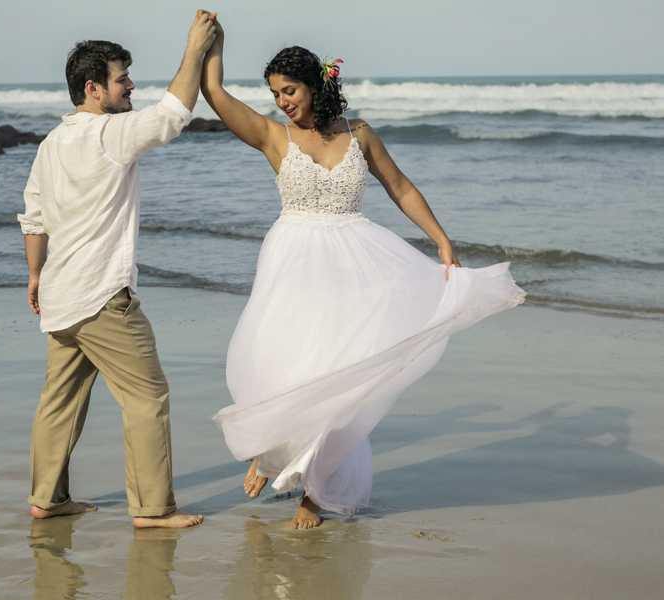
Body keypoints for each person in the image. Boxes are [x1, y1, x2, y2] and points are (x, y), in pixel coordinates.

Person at [203, 20, 525, 528]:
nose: (282, 100)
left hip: (354, 262)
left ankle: (316, 489)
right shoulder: (272, 135)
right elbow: (213, 92)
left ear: (316, 84)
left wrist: (441, 240)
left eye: (290, 90)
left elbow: (400, 188)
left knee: (342, 377)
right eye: (275, 93)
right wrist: (214, 46)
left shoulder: (360, 134)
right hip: (293, 265)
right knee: (287, 363)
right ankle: (267, 452)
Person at [17, 10, 217, 529]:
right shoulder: (107, 134)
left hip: (61, 295)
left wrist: (35, 276)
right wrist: (195, 48)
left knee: (58, 403)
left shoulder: (50, 144)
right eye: (122, 78)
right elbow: (173, 112)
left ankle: (47, 499)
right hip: (103, 296)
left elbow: (33, 217)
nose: (130, 87)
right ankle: (153, 509)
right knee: (147, 396)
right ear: (93, 89)